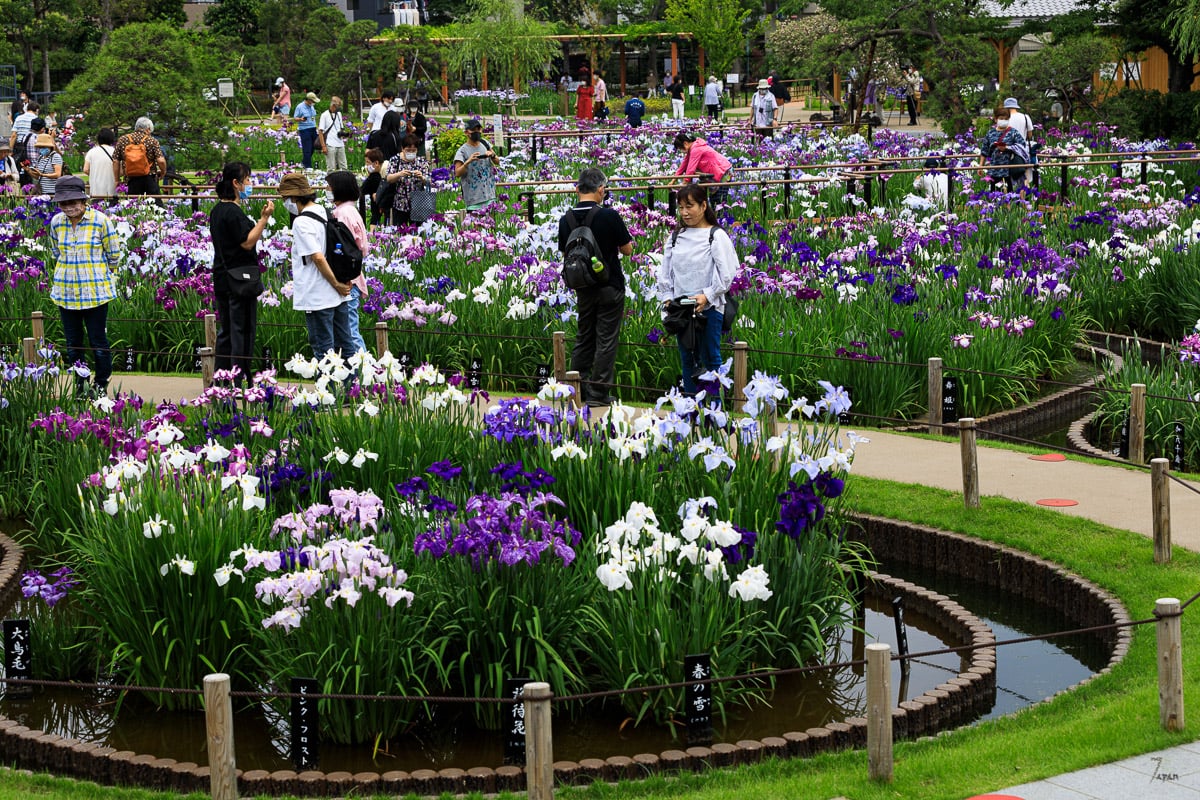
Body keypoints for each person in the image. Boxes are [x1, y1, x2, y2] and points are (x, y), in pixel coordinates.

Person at [557, 168, 633, 407]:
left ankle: (576, 388)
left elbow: (564, 253)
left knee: (584, 337)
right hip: (609, 285)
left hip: (583, 288)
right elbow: (627, 249)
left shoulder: (565, 219)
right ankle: (598, 394)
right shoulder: (609, 216)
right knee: (606, 339)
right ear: (601, 190)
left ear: (577, 189)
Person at [655, 184, 737, 399]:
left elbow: (727, 273)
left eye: (689, 206)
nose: (684, 212)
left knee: (710, 359)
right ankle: (691, 411)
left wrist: (707, 295)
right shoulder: (675, 237)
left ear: (703, 205)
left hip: (708, 307)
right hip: (682, 309)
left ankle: (714, 410)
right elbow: (666, 272)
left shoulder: (715, 235)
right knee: (688, 360)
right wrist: (667, 298)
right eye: (681, 207)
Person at [48, 176, 123, 397]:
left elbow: (114, 255)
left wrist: (98, 273)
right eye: (63, 203)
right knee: (73, 344)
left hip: (95, 292)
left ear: (84, 200)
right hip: (66, 291)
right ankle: (80, 386)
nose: (68, 207)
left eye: (73, 202)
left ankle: (100, 385)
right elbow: (55, 252)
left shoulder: (100, 221)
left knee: (98, 341)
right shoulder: (56, 223)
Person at [209, 162, 275, 383]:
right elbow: (247, 243)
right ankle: (238, 377)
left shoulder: (217, 210)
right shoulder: (233, 212)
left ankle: (223, 377)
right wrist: (264, 219)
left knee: (227, 330)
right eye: (247, 180)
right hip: (239, 280)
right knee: (242, 329)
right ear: (235, 183)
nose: (250, 184)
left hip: (222, 275)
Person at [278, 172, 354, 360]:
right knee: (346, 348)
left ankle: (328, 390)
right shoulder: (323, 211)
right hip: (338, 295)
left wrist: (336, 283)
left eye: (285, 198)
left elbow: (318, 258)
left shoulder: (302, 221)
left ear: (294, 197)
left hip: (318, 295)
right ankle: (351, 388)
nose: (285, 202)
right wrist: (339, 285)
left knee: (324, 352)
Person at [327, 170, 369, 355]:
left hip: (347, 278)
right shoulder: (351, 210)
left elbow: (345, 250)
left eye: (330, 187)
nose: (327, 190)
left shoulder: (342, 214)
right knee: (349, 329)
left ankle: (365, 373)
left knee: (350, 331)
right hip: (354, 275)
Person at [672, 131, 732, 205]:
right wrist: (673, 181)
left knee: (719, 201)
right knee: (714, 200)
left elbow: (691, 169)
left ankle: (721, 216)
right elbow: (683, 165)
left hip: (723, 172)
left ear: (685, 143)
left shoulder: (695, 149)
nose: (681, 151)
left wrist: (684, 184)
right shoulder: (693, 148)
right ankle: (717, 216)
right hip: (718, 173)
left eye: (680, 148)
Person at [384, 134, 431, 227]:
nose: (411, 153)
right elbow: (388, 178)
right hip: (400, 202)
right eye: (408, 150)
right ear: (402, 148)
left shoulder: (421, 161)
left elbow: (428, 181)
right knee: (401, 230)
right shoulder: (395, 160)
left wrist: (422, 177)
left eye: (414, 151)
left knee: (419, 231)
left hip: (418, 202)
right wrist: (400, 174)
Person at [113, 117, 166, 197]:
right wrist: (163, 172)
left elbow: (115, 161)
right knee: (155, 206)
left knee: (132, 206)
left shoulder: (123, 140)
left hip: (130, 179)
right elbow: (161, 161)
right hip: (149, 179)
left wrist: (117, 180)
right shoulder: (152, 141)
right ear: (148, 129)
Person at [453, 118, 498, 211]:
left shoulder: (485, 144)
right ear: (466, 133)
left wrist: (492, 155)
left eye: (479, 129)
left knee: (491, 224)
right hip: (474, 199)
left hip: (489, 195)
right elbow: (457, 173)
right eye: (474, 130)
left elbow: (497, 161)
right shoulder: (462, 151)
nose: (477, 132)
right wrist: (468, 162)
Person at [980, 107, 1030, 191]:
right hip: (994, 170)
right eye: (1001, 118)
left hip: (1008, 170)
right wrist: (981, 165)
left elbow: (1022, 146)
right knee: (994, 195)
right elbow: (984, 150)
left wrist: (1007, 148)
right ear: (996, 119)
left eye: (1006, 119)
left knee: (1009, 196)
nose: (1004, 120)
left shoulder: (1013, 132)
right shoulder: (990, 133)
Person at [1003, 96, 1036, 182]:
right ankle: (1025, 194)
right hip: (1023, 151)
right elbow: (1029, 135)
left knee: (1010, 178)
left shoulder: (1004, 119)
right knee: (1024, 178)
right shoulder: (1025, 117)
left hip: (1009, 151)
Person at [82, 128, 117, 200]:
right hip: (111, 192)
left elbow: (85, 169)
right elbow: (121, 172)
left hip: (95, 192)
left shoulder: (92, 152)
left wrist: (95, 174)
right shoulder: (114, 151)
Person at [318, 95, 347, 172]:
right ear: (334, 105)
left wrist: (343, 134)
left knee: (343, 166)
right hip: (330, 144)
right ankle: (330, 183)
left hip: (340, 143)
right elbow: (320, 131)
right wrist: (323, 146)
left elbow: (341, 128)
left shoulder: (339, 114)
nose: (339, 107)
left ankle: (344, 181)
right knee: (331, 167)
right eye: (339, 105)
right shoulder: (324, 115)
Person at [360, 147, 386, 229]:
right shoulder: (380, 176)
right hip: (381, 206)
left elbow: (362, 190)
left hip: (376, 207)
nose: (366, 165)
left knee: (375, 219)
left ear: (376, 163)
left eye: (368, 162)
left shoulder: (374, 177)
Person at [294, 92, 319, 169]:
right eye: (313, 101)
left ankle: (304, 162)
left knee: (314, 146)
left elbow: (313, 117)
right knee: (307, 148)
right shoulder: (300, 107)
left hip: (313, 128)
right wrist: (301, 119)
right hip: (305, 129)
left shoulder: (312, 106)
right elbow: (295, 118)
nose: (314, 103)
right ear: (308, 100)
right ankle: (308, 166)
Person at [10, 100, 38, 166]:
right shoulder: (36, 119)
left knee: (20, 164)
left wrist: (10, 150)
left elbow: (14, 135)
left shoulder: (19, 118)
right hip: (32, 145)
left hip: (19, 146)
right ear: (36, 110)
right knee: (31, 165)